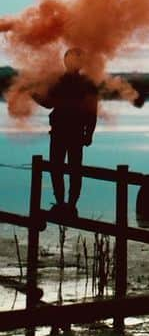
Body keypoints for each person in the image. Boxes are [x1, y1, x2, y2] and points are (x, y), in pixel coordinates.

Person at [33, 48, 99, 217]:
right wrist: (34, 96)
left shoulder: (86, 83)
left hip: (72, 132)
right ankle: (64, 204)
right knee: (60, 169)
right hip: (61, 132)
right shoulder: (60, 81)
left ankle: (69, 205)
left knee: (71, 170)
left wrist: (89, 133)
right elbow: (49, 103)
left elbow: (92, 111)